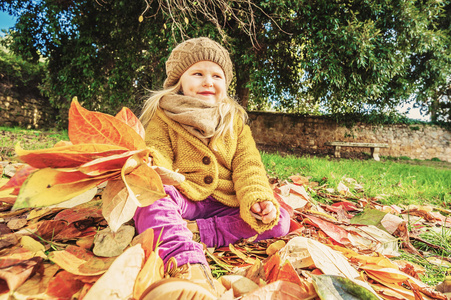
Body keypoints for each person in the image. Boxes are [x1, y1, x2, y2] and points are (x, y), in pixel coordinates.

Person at [134, 37, 290, 299]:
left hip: (224, 202)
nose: (208, 81)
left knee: (278, 220)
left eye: (217, 75)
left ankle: (197, 231)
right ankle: (186, 265)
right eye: (198, 73)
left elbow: (248, 166)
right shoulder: (164, 116)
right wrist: (156, 168)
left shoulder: (234, 123)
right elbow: (157, 149)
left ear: (225, 84)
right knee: (148, 196)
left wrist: (257, 199)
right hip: (184, 195)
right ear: (178, 81)